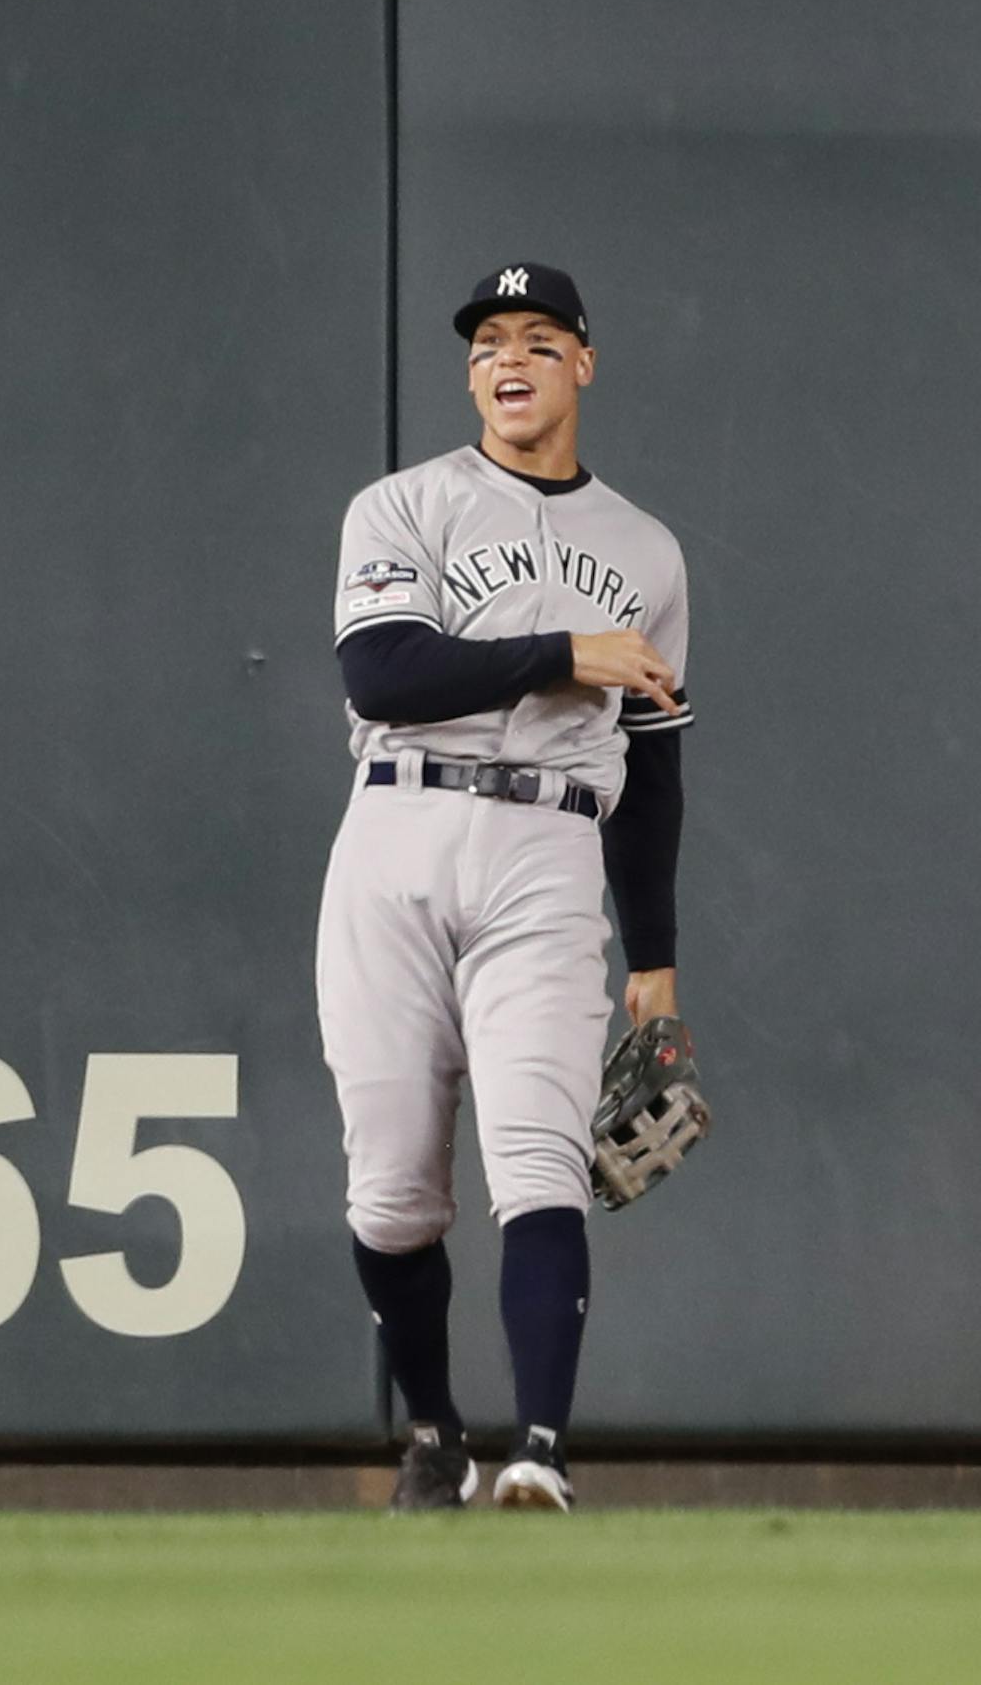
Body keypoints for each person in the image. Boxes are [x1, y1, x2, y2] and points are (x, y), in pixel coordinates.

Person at [316, 263, 693, 1511]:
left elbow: (656, 761)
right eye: (488, 342)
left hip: (552, 851)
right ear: (471, 373)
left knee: (538, 1159)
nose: (509, 357)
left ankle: (540, 1453)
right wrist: (560, 654)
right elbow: (383, 675)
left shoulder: (646, 550)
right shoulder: (403, 507)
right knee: (391, 1189)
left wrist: (655, 960)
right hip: (398, 837)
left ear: (583, 362)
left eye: (538, 337)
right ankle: (435, 1431)